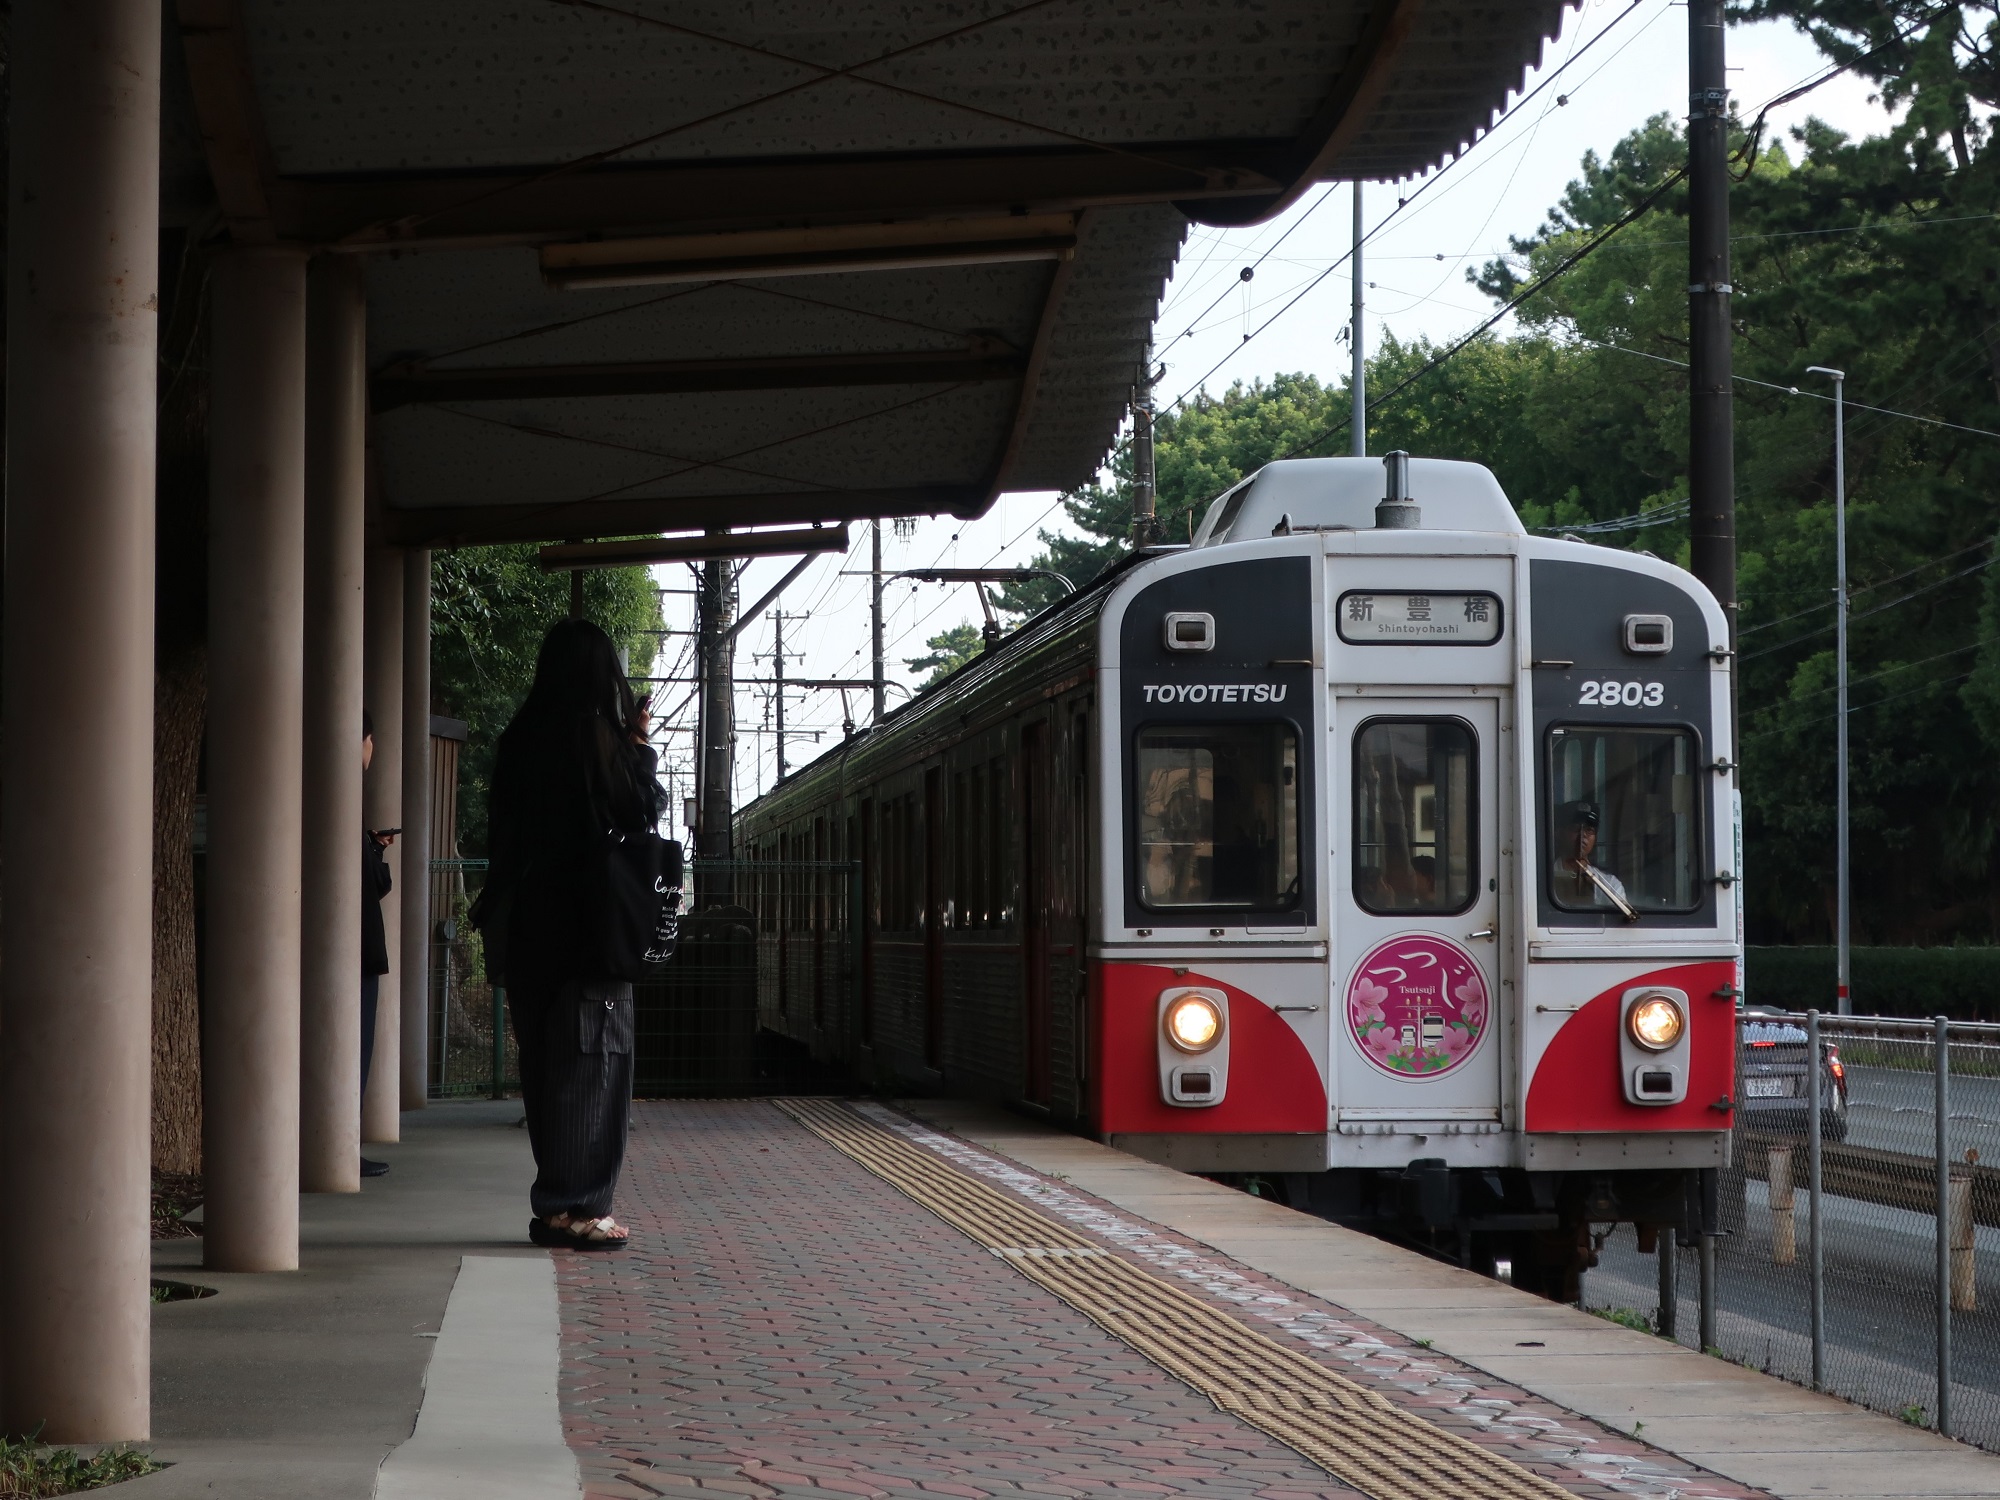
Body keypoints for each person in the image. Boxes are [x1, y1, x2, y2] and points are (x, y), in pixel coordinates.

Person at [484, 619, 663, 1251]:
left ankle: (556, 1202)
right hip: (590, 932)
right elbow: (640, 808)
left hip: (529, 933)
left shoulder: (518, 739)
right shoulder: (593, 736)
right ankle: (579, 1207)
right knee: (596, 1067)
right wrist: (637, 744)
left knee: (546, 1071)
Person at [361, 711, 394, 1178]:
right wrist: (375, 852)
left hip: (348, 948)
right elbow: (374, 885)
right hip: (358, 949)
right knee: (355, 1046)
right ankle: (337, 1145)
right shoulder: (343, 796)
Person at [1552, 800, 1630, 912]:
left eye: (1589, 830)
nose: (1583, 835)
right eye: (1575, 829)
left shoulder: (1610, 883)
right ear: (1559, 833)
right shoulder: (1545, 878)